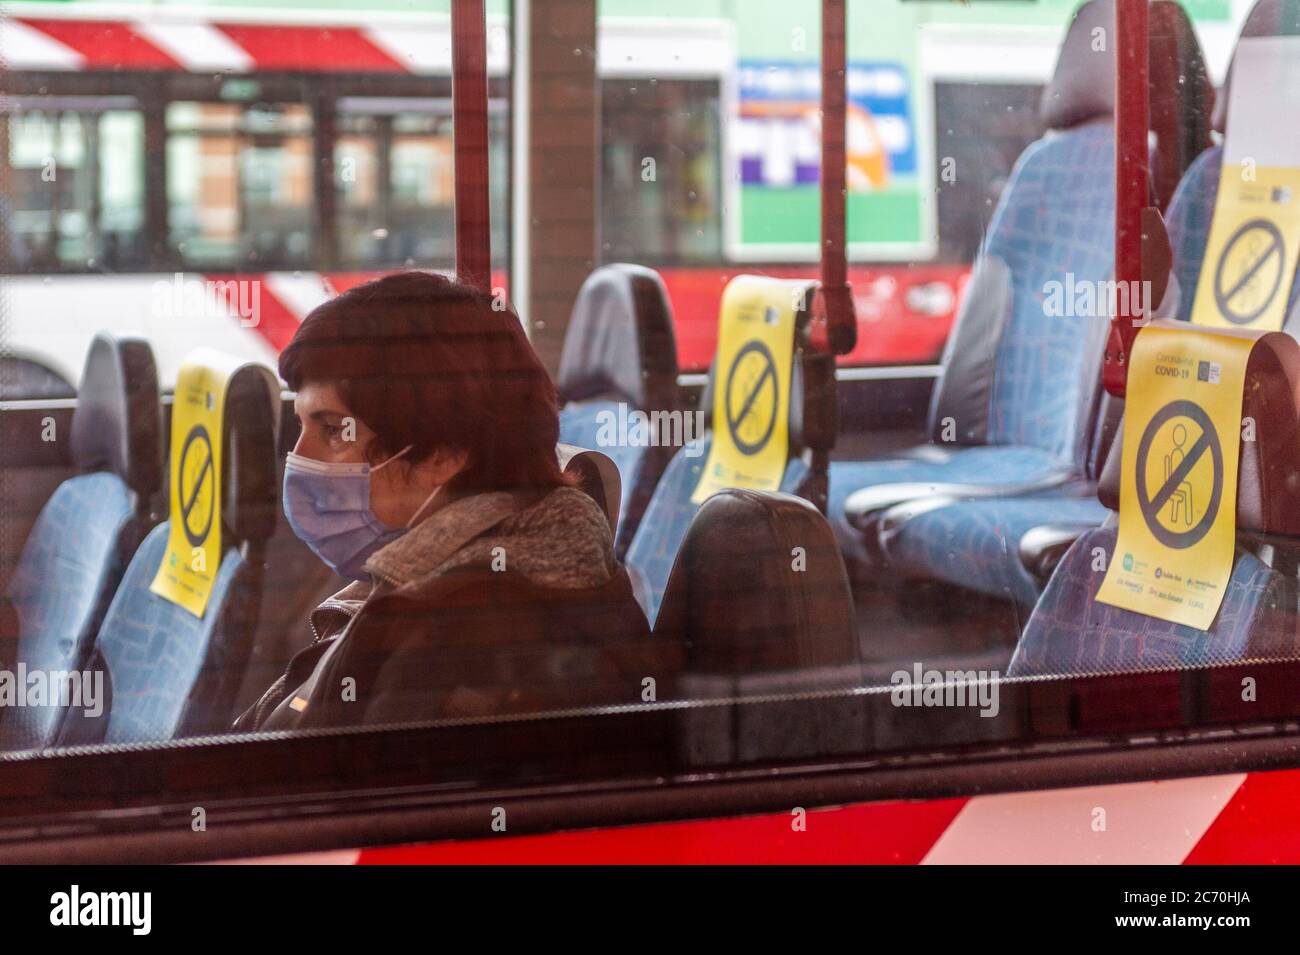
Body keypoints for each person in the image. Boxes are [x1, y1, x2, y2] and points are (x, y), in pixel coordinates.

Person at [235, 271, 660, 731]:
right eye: (300, 426)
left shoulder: (465, 638)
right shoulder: (416, 588)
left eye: (335, 430)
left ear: (444, 453)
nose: (300, 459)